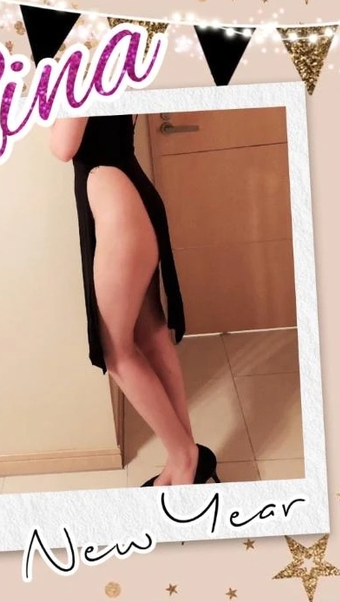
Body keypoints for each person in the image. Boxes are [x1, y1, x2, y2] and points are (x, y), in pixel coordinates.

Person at [49, 114, 220, 486]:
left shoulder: (78, 73)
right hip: (126, 191)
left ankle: (184, 459)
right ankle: (184, 459)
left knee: (116, 351)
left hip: (116, 203)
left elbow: (63, 146)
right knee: (150, 335)